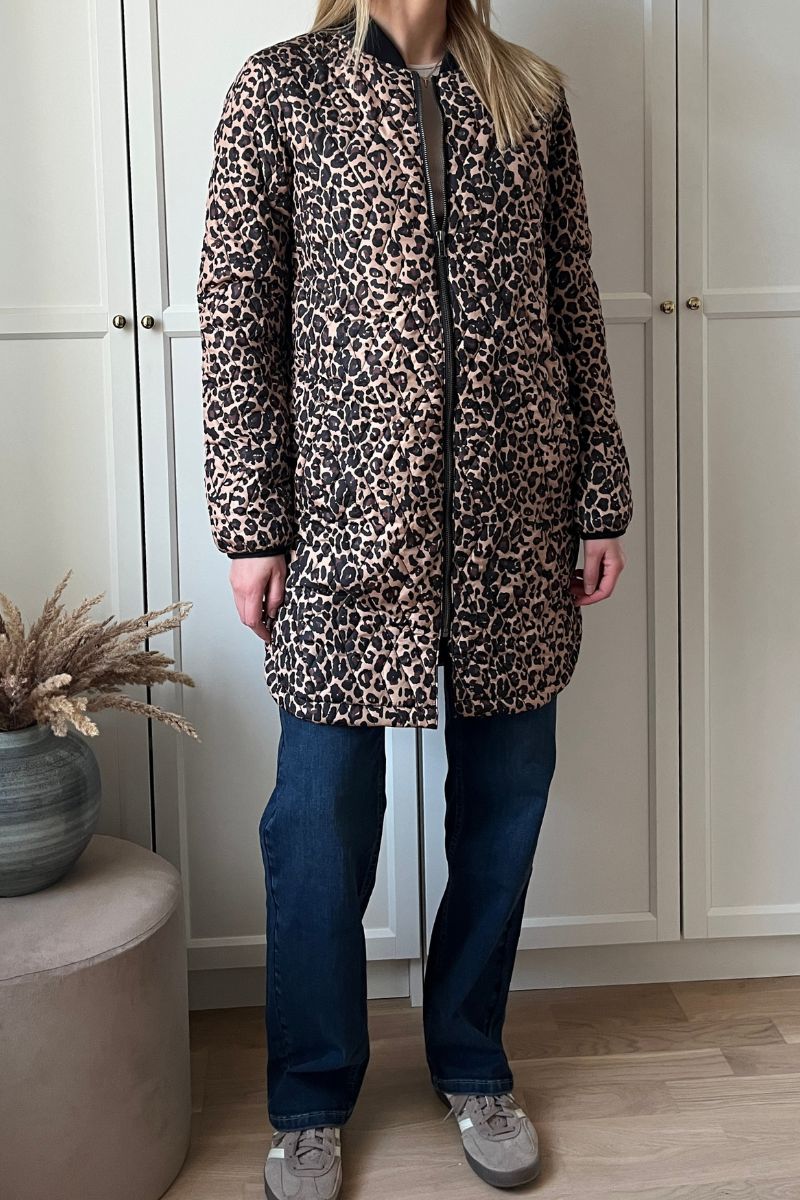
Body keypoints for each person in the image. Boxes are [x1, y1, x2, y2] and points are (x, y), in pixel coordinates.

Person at [197, 1, 633, 1196]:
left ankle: (472, 1062)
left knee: (503, 806)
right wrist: (251, 525)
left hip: (513, 510)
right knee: (316, 823)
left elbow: (570, 296)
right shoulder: (282, 88)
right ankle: (308, 1096)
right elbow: (237, 317)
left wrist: (599, 492)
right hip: (345, 520)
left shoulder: (528, 93)